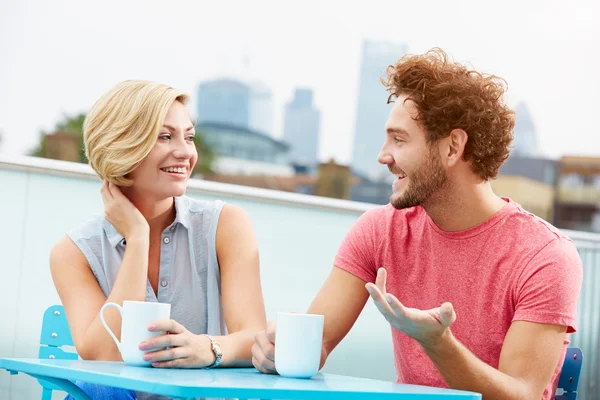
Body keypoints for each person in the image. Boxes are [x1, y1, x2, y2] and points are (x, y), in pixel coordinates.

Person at [252, 48, 582, 400]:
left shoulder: (546, 256)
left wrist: (437, 342)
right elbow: (317, 344)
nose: (383, 156)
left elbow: (522, 395)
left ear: (452, 147)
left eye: (399, 139)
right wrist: (276, 351)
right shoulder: (379, 230)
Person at [50, 80, 267, 399]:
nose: (185, 152)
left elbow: (255, 338)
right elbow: (103, 359)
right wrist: (137, 239)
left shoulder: (226, 225)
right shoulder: (72, 253)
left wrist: (207, 348)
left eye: (189, 137)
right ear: (120, 146)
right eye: (165, 137)